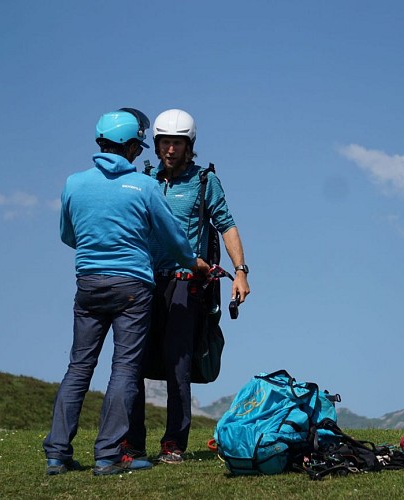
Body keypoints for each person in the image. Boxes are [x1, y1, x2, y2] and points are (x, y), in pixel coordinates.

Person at [42, 108, 209, 476]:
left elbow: (68, 236)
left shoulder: (74, 183)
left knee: (78, 366)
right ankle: (108, 455)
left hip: (87, 284)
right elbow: (175, 240)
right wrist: (195, 263)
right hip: (133, 287)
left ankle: (57, 452)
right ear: (133, 146)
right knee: (124, 368)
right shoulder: (145, 187)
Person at [125, 108, 250, 464]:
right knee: (132, 363)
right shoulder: (145, 179)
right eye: (164, 142)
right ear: (156, 144)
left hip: (185, 284)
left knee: (178, 364)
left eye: (177, 143)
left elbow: (227, 225)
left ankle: (173, 445)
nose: (169, 149)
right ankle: (132, 444)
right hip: (145, 282)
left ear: (188, 145)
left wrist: (240, 271)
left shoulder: (206, 181)